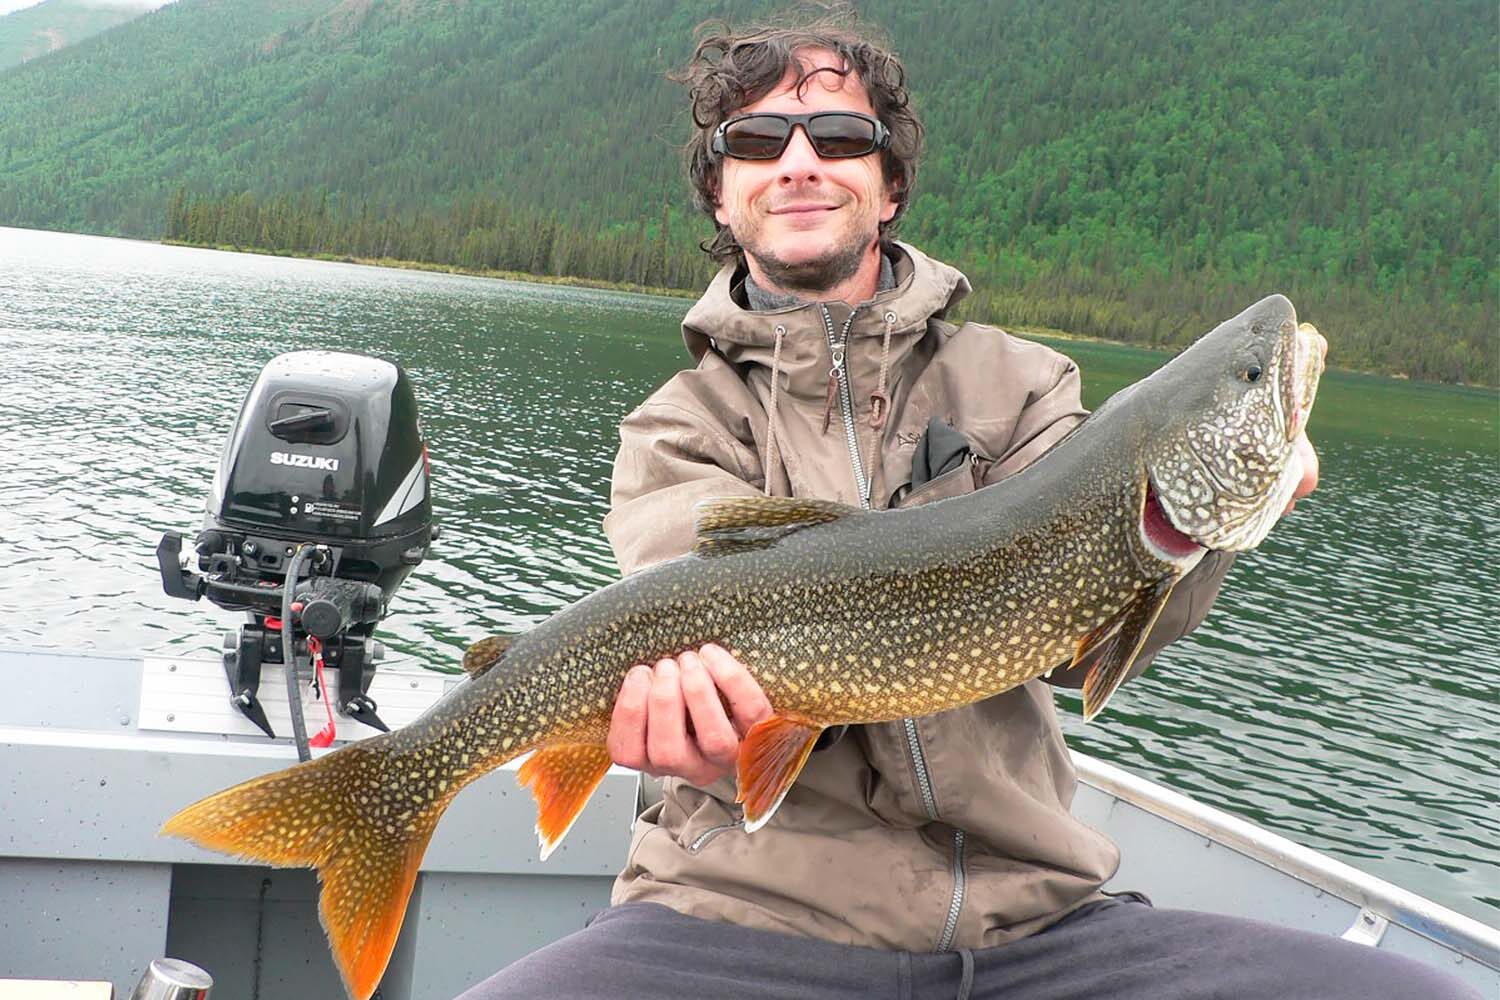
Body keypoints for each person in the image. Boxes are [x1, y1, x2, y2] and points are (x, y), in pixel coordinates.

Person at [459, 14, 1478, 1000]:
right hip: (738, 922)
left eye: (842, 136)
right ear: (722, 197)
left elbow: (1097, 638)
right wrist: (696, 724)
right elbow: (693, 630)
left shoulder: (1025, 386)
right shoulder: (675, 428)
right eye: (759, 139)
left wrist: (1218, 520)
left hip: (1034, 927)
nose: (800, 160)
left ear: (890, 184)